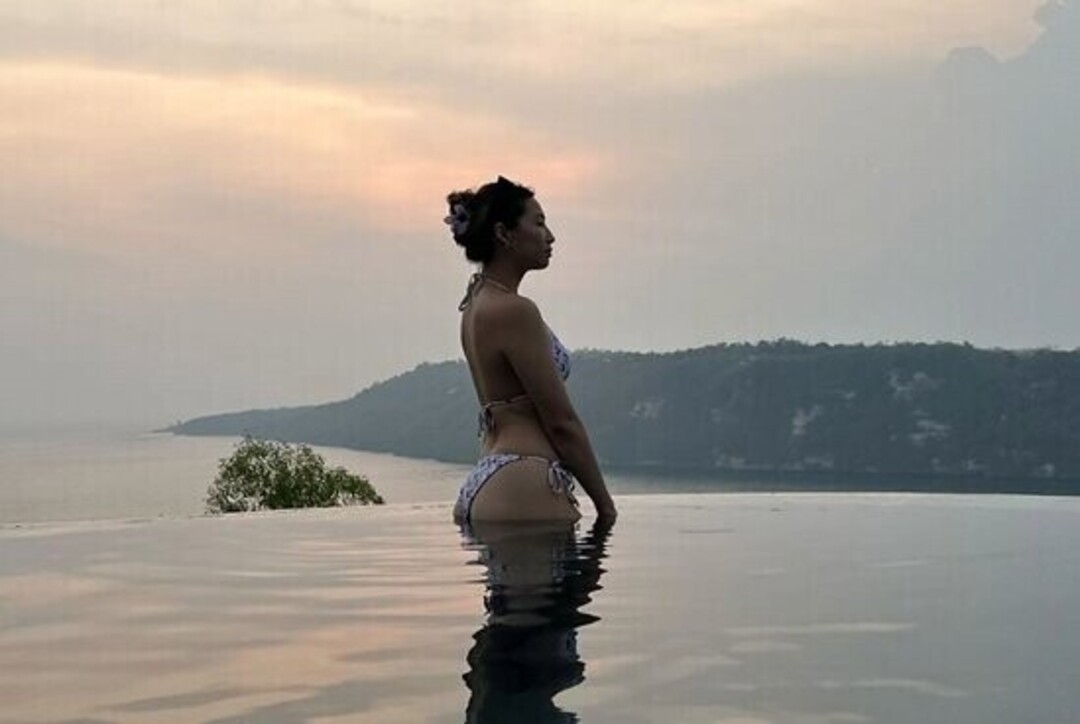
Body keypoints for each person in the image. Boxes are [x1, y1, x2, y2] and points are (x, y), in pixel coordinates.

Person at [445, 175, 617, 526]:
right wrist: (605, 508)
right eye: (538, 223)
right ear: (503, 233)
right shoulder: (515, 310)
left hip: (489, 478)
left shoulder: (475, 304)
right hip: (525, 480)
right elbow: (561, 423)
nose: (550, 236)